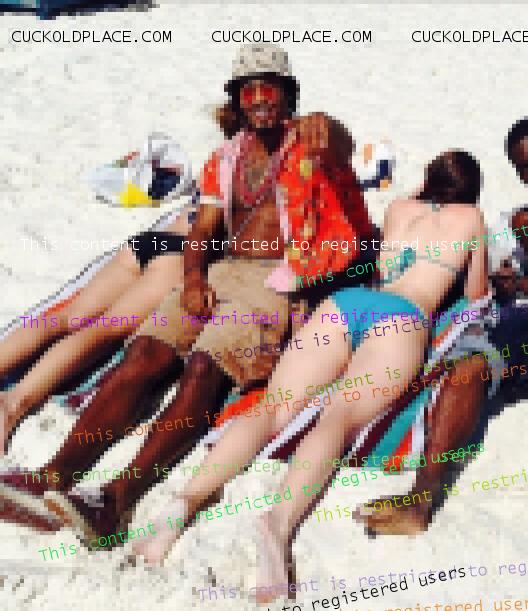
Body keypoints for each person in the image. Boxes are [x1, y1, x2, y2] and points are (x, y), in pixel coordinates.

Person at [0, 43, 375, 539]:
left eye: (270, 89)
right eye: (249, 91)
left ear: (289, 95)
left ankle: (116, 501)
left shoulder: (312, 147)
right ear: (237, 99)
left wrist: (329, 124)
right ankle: (56, 473)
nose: (260, 100)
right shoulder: (227, 157)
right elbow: (203, 229)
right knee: (143, 355)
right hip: (222, 271)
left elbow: (341, 147)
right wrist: (195, 277)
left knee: (203, 367)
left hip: (278, 281)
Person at [128, 150, 488, 600]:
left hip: (349, 304)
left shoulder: (399, 208)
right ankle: (277, 525)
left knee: (273, 407)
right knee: (339, 416)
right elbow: (477, 292)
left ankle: (186, 499)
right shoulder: (472, 218)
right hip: (402, 317)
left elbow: (395, 238)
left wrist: (422, 190)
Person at [358, 117, 528, 577]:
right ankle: (421, 498)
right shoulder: (525, 222)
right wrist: (512, 287)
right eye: (523, 167)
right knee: (473, 350)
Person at [0, 207, 194, 454]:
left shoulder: (213, 180)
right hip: (184, 253)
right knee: (105, 328)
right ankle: (12, 404)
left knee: (69, 316)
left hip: (153, 240)